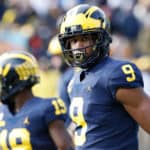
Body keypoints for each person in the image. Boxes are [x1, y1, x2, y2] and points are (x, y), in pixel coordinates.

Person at [58, 4, 150, 150]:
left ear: (100, 38)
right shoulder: (73, 80)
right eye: (74, 40)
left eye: (84, 38)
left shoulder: (116, 73)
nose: (77, 46)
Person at [0, 51, 74, 150]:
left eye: (2, 81)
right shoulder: (2, 112)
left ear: (14, 79)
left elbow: (66, 147)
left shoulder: (46, 108)